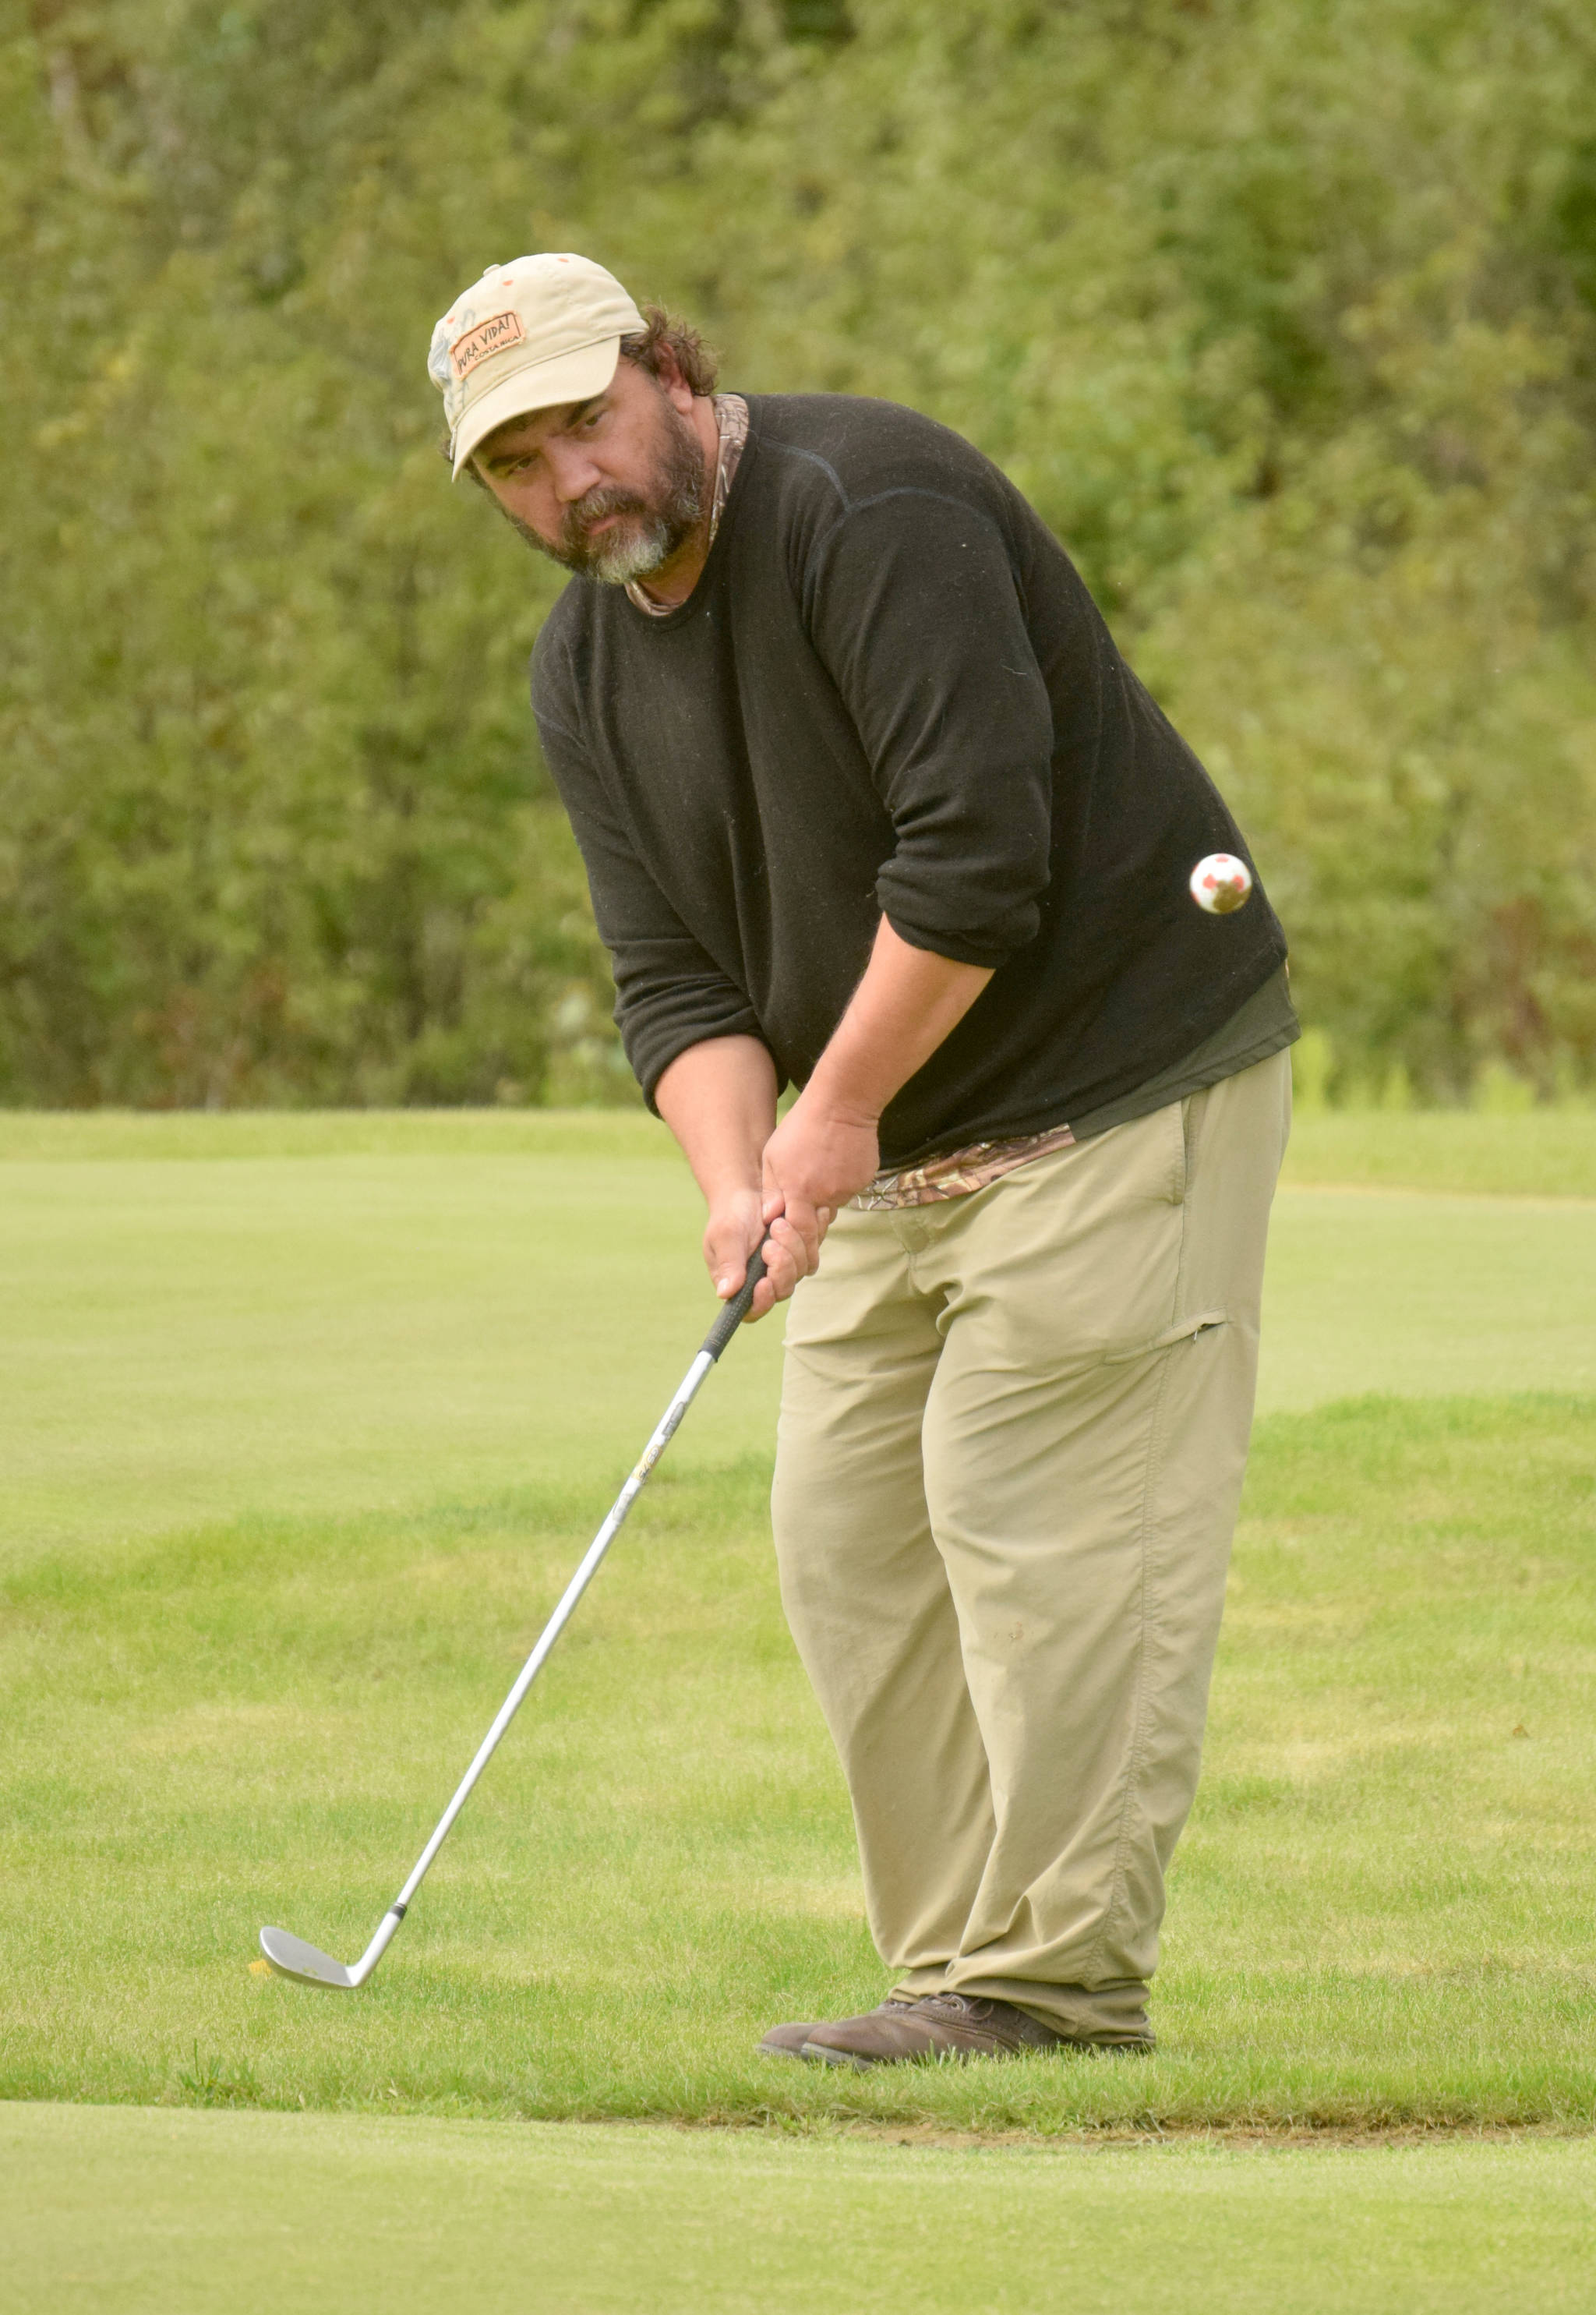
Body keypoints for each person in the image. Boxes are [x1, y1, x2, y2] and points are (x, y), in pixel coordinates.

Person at [429, 253, 1297, 2065]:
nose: (569, 481)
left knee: (1039, 1523)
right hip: (886, 1140)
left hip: (1115, 1083)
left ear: (667, 369)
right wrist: (741, 1181)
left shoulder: (866, 504)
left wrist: (826, 1126)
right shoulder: (583, 666)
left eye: (585, 420)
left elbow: (975, 861)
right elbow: (672, 977)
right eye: (516, 462)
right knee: (844, 1541)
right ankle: (954, 1982)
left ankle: (1051, 1992)